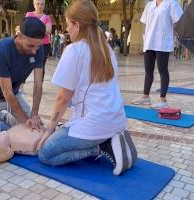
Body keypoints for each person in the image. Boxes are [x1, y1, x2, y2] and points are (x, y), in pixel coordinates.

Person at [37, 0, 137, 176]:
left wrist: (49, 130)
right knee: (67, 133)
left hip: (95, 125)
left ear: (77, 25)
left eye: (68, 25)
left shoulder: (74, 50)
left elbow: (62, 99)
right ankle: (111, 140)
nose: (67, 29)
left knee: (45, 153)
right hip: (117, 119)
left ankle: (101, 147)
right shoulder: (107, 49)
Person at [131, 0, 183, 109]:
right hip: (149, 42)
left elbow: (179, 21)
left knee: (162, 70)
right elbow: (146, 23)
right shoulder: (149, 5)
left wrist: (171, 33)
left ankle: (162, 100)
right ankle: (145, 97)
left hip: (162, 42)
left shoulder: (171, 3)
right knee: (148, 71)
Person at [26, 0, 52, 80]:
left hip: (44, 45)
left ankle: (39, 85)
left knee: (41, 65)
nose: (40, 6)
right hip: (31, 44)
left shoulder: (47, 17)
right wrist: (41, 29)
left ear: (44, 5)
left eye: (42, 4)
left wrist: (33, 29)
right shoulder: (29, 14)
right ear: (34, 5)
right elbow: (26, 27)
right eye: (38, 4)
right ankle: (21, 85)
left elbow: (48, 31)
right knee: (27, 64)